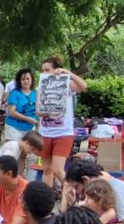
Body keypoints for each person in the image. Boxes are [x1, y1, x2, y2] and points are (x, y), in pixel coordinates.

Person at [37, 55, 87, 191]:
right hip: (45, 132)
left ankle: (74, 195)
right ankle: (46, 201)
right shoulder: (41, 86)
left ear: (56, 70)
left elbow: (83, 86)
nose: (44, 73)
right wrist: (48, 112)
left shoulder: (67, 85)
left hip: (63, 133)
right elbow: (38, 111)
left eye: (47, 70)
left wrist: (69, 74)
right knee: (46, 169)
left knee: (58, 169)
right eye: (42, 70)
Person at [5, 69, 38, 141]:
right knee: (13, 151)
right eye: (23, 79)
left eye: (27, 79)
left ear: (32, 80)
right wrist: (28, 119)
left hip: (30, 128)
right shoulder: (14, 93)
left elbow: (38, 110)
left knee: (27, 151)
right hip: (14, 127)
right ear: (19, 81)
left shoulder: (35, 93)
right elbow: (11, 112)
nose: (25, 81)